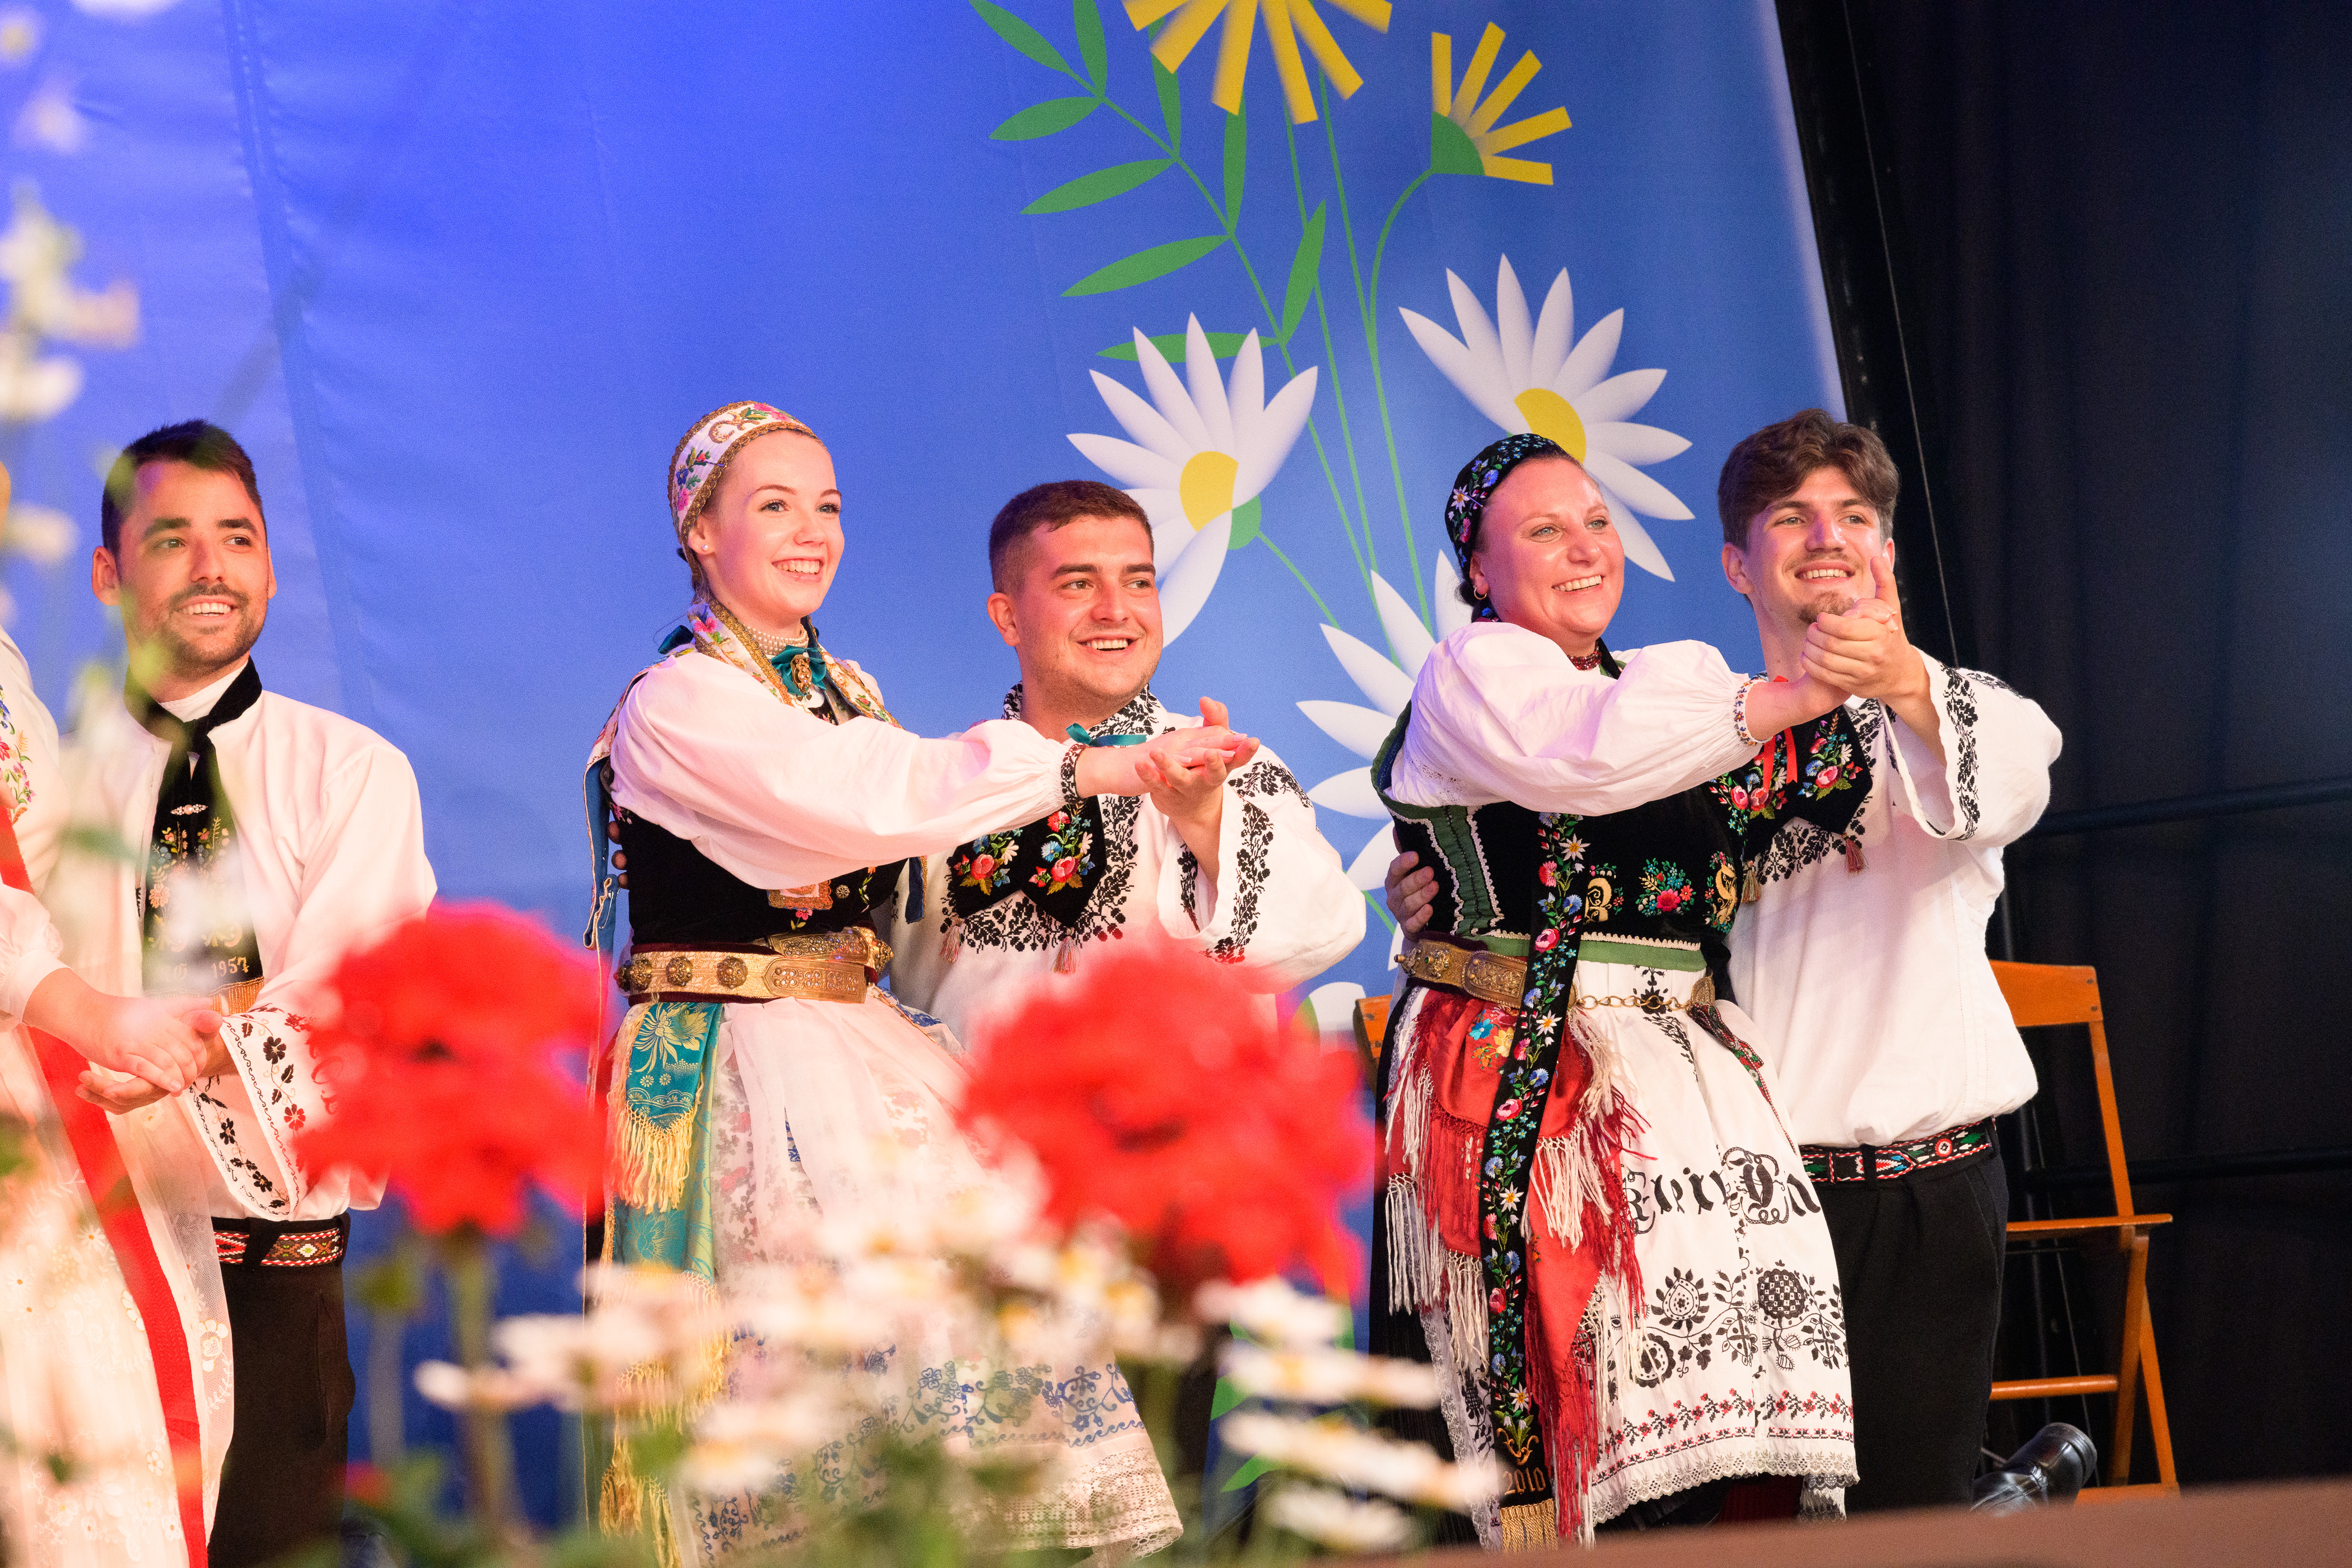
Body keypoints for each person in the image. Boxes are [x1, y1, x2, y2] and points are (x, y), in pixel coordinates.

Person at [587, 405, 1238, 1562]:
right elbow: (855, 797)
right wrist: (1101, 763)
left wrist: (1156, 831)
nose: (811, 531)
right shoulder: (680, 700)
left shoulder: (845, 686)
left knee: (975, 1345)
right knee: (811, 1374)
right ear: (698, 528)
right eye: (773, 505)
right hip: (740, 1057)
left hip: (860, 1036)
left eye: (827, 505)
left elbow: (918, 863)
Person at [1390, 410, 2061, 1513]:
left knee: (1905, 1507)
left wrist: (1902, 681)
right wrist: (1440, 898)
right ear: (1735, 566)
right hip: (1735, 1188)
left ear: (1890, 550)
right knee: (1732, 1503)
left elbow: (2019, 770)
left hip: (1921, 1181)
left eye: (1855, 516)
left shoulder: (1951, 721)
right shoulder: (1688, 726)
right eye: (1791, 516)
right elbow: (1568, 792)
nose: (1829, 536)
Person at [1369, 433, 1861, 1547]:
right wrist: (1782, 694)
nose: (1585, 546)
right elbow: (1580, 756)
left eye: (1597, 521)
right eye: (1543, 530)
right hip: (1528, 1066)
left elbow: (1803, 779)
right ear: (1480, 573)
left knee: (1739, 1405)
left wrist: (1833, 646)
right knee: (1570, 1382)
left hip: (1684, 1070)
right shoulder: (1478, 671)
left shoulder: (1668, 683)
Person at [53, 421, 437, 1567]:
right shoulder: (50, 787)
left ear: (270, 565)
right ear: (109, 573)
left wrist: (192, 1048)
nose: (212, 565)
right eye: (172, 539)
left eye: (239, 538)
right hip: (85, 1260)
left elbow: (347, 978)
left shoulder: (351, 769)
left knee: (274, 1539)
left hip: (271, 1248)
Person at [881, 479, 1362, 1044]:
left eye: (1138, 582)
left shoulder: (1224, 763)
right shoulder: (942, 779)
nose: (1116, 611)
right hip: (962, 1126)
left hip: (1175, 1130)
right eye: (1079, 583)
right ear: (1008, 618)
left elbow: (1319, 934)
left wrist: (1204, 814)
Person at [0, 606, 235, 1568]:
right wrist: (94, 1015)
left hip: (42, 1067)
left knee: (112, 1425)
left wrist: (154, 1027)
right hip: (43, 1043)